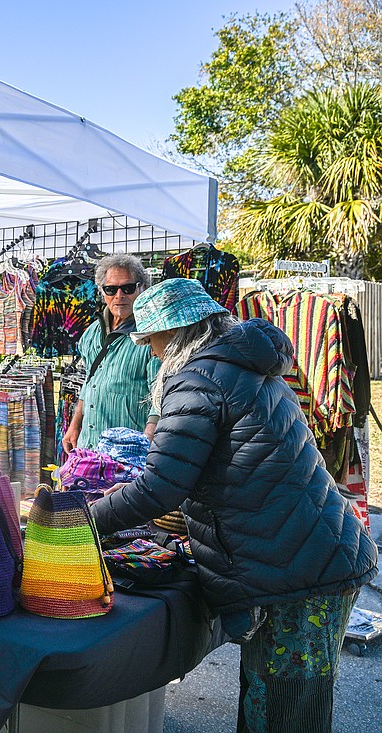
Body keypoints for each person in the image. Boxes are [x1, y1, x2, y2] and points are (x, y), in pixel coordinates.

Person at [90, 278, 377, 733]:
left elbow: (159, 489)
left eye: (152, 340)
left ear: (178, 334)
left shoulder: (198, 380)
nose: (152, 352)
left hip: (300, 568)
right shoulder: (246, 368)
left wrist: (83, 519)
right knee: (282, 698)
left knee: (284, 709)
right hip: (312, 551)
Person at [61, 254, 159, 454]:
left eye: (128, 288)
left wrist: (146, 443)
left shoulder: (152, 335)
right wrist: (75, 425)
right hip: (89, 448)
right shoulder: (92, 333)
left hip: (126, 453)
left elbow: (160, 396)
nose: (119, 295)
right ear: (102, 291)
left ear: (142, 288)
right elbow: (89, 382)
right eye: (111, 289)